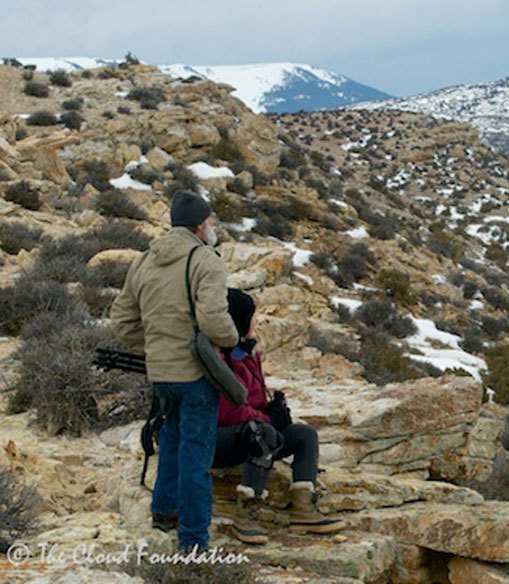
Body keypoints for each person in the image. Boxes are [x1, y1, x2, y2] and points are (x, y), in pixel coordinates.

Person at [110, 191, 238, 552]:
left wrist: (153, 344)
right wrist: (232, 340)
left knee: (169, 439)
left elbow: (122, 320)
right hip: (196, 373)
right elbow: (213, 320)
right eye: (211, 220)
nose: (213, 226)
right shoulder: (204, 259)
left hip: (160, 372)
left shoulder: (144, 260)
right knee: (197, 453)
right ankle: (194, 542)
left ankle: (163, 512)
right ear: (200, 225)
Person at [212, 288, 343, 544]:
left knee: (304, 434)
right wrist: (267, 421)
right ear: (239, 321)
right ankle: (246, 513)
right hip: (219, 439)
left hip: (251, 431)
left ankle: (303, 509)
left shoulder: (246, 354)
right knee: (263, 432)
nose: (257, 321)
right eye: (252, 316)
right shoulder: (219, 359)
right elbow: (227, 412)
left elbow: (252, 402)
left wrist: (273, 411)